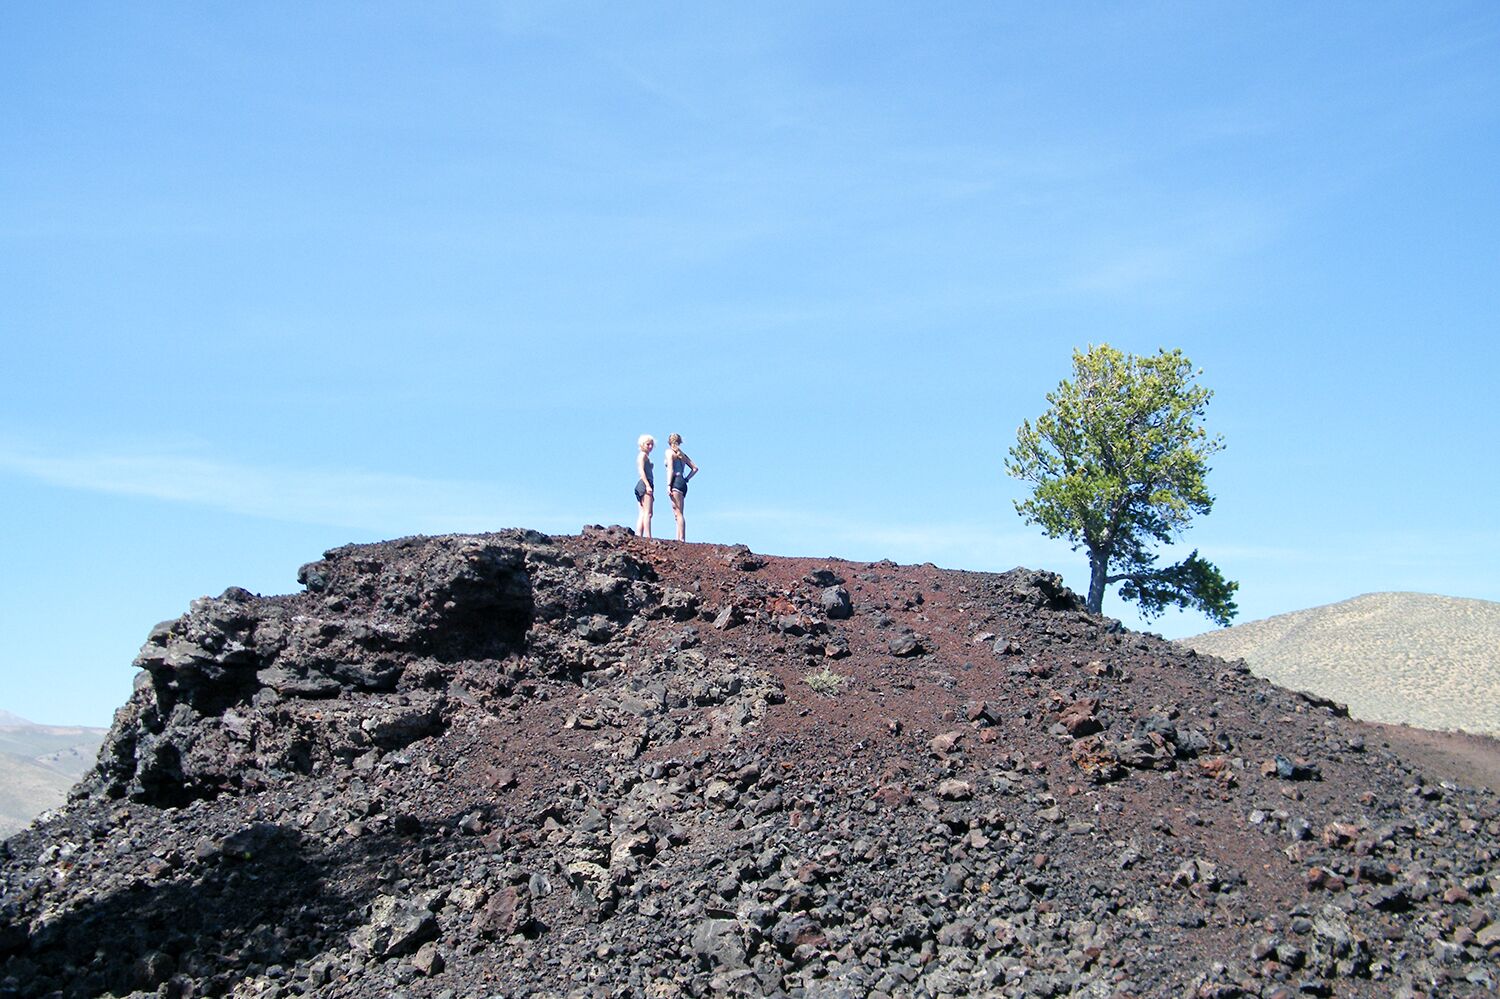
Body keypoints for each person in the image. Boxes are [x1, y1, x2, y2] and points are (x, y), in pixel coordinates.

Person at [665, 433, 698, 541]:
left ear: (669, 442)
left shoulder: (669, 452)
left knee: (678, 513)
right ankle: (679, 537)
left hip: (675, 482)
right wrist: (687, 479)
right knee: (679, 513)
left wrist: (669, 485)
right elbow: (695, 468)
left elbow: (670, 469)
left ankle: (682, 538)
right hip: (683, 483)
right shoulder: (682, 455)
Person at [634, 434, 655, 538]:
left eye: (651, 444)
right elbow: (641, 471)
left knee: (642, 512)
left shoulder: (644, 456)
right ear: (642, 444)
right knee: (648, 512)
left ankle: (639, 535)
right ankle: (648, 536)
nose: (650, 446)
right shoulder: (643, 455)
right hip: (645, 483)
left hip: (641, 484)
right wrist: (648, 485)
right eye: (648, 444)